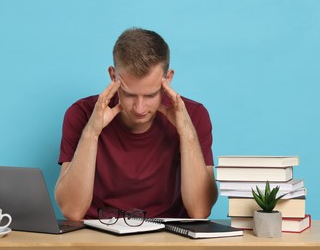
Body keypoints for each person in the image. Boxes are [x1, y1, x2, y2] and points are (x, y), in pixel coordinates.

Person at [55, 27, 218, 221]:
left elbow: (200, 211)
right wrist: (92, 132)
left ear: (168, 79)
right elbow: (72, 211)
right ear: (113, 76)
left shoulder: (194, 115)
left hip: (168, 236)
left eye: (150, 95)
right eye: (129, 94)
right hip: (97, 233)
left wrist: (187, 134)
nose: (139, 108)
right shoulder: (81, 113)